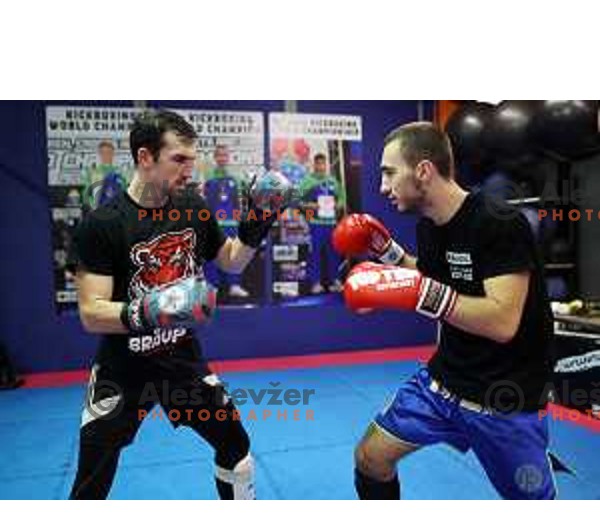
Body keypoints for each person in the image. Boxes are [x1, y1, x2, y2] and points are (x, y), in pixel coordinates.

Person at [332, 122, 556, 499]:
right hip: (442, 383)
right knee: (370, 457)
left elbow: (502, 321)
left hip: (503, 399)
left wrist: (417, 293)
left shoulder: (499, 222)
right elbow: (430, 273)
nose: (382, 187)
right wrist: (388, 256)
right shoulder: (430, 227)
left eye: (389, 173)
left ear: (423, 171)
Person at [70, 110, 283, 499]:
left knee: (236, 449)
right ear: (145, 157)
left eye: (192, 158)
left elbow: (231, 261)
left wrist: (257, 221)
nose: (190, 170)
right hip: (124, 370)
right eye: (179, 160)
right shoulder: (102, 225)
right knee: (90, 486)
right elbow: (91, 312)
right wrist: (154, 309)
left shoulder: (193, 208)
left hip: (182, 363)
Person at [203, 144, 250, 299]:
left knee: (234, 255)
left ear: (228, 157)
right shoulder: (208, 177)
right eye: (219, 155)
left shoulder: (235, 178)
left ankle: (234, 285)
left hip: (231, 224)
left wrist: (240, 220)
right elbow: (206, 203)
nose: (222, 158)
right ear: (215, 158)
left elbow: (238, 202)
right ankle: (212, 287)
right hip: (214, 224)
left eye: (225, 155)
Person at [298, 153, 346, 294]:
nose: (321, 167)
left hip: (331, 223)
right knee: (315, 254)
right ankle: (315, 283)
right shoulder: (307, 182)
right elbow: (297, 201)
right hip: (315, 223)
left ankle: (335, 281)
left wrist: (338, 205)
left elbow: (342, 198)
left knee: (334, 253)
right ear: (314, 164)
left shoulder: (333, 181)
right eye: (318, 164)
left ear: (327, 165)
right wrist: (310, 206)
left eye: (323, 164)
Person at [82, 140, 128, 210]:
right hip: (97, 210)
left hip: (115, 211)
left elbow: (125, 190)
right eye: (103, 153)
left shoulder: (120, 172)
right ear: (99, 154)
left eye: (108, 152)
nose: (106, 155)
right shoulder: (92, 172)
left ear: (113, 153)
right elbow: (86, 193)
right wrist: (90, 207)